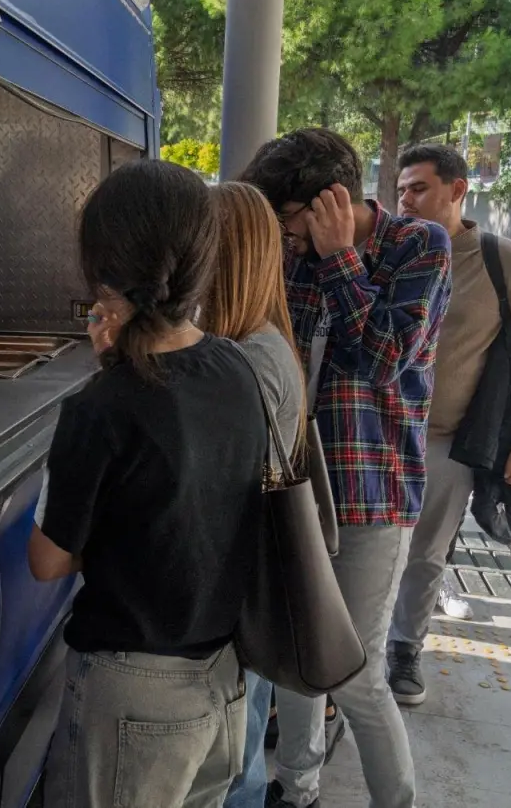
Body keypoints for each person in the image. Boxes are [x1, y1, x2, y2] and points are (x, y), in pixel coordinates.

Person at [30, 160, 267, 808]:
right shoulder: (236, 365)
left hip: (133, 695)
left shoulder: (101, 405)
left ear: (102, 270)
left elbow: (47, 560)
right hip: (222, 678)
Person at [240, 129, 452, 808]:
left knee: (356, 671)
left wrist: (338, 259)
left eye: (289, 219)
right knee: (302, 653)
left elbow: (384, 358)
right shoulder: (290, 254)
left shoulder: (419, 245)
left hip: (373, 490)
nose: (284, 235)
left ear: (331, 201)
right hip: (295, 486)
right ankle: (296, 787)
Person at [388, 144, 511, 703]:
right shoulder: (389, 250)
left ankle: (404, 649)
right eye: (401, 190)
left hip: (447, 437)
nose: (405, 200)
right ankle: (355, 649)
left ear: (458, 190)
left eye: (419, 188)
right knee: (366, 548)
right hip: (377, 434)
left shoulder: (500, 259)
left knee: (426, 551)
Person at [202, 183, 305, 808]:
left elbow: (224, 489)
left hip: (239, 598)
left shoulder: (253, 356)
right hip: (238, 594)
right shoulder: (248, 343)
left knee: (234, 771)